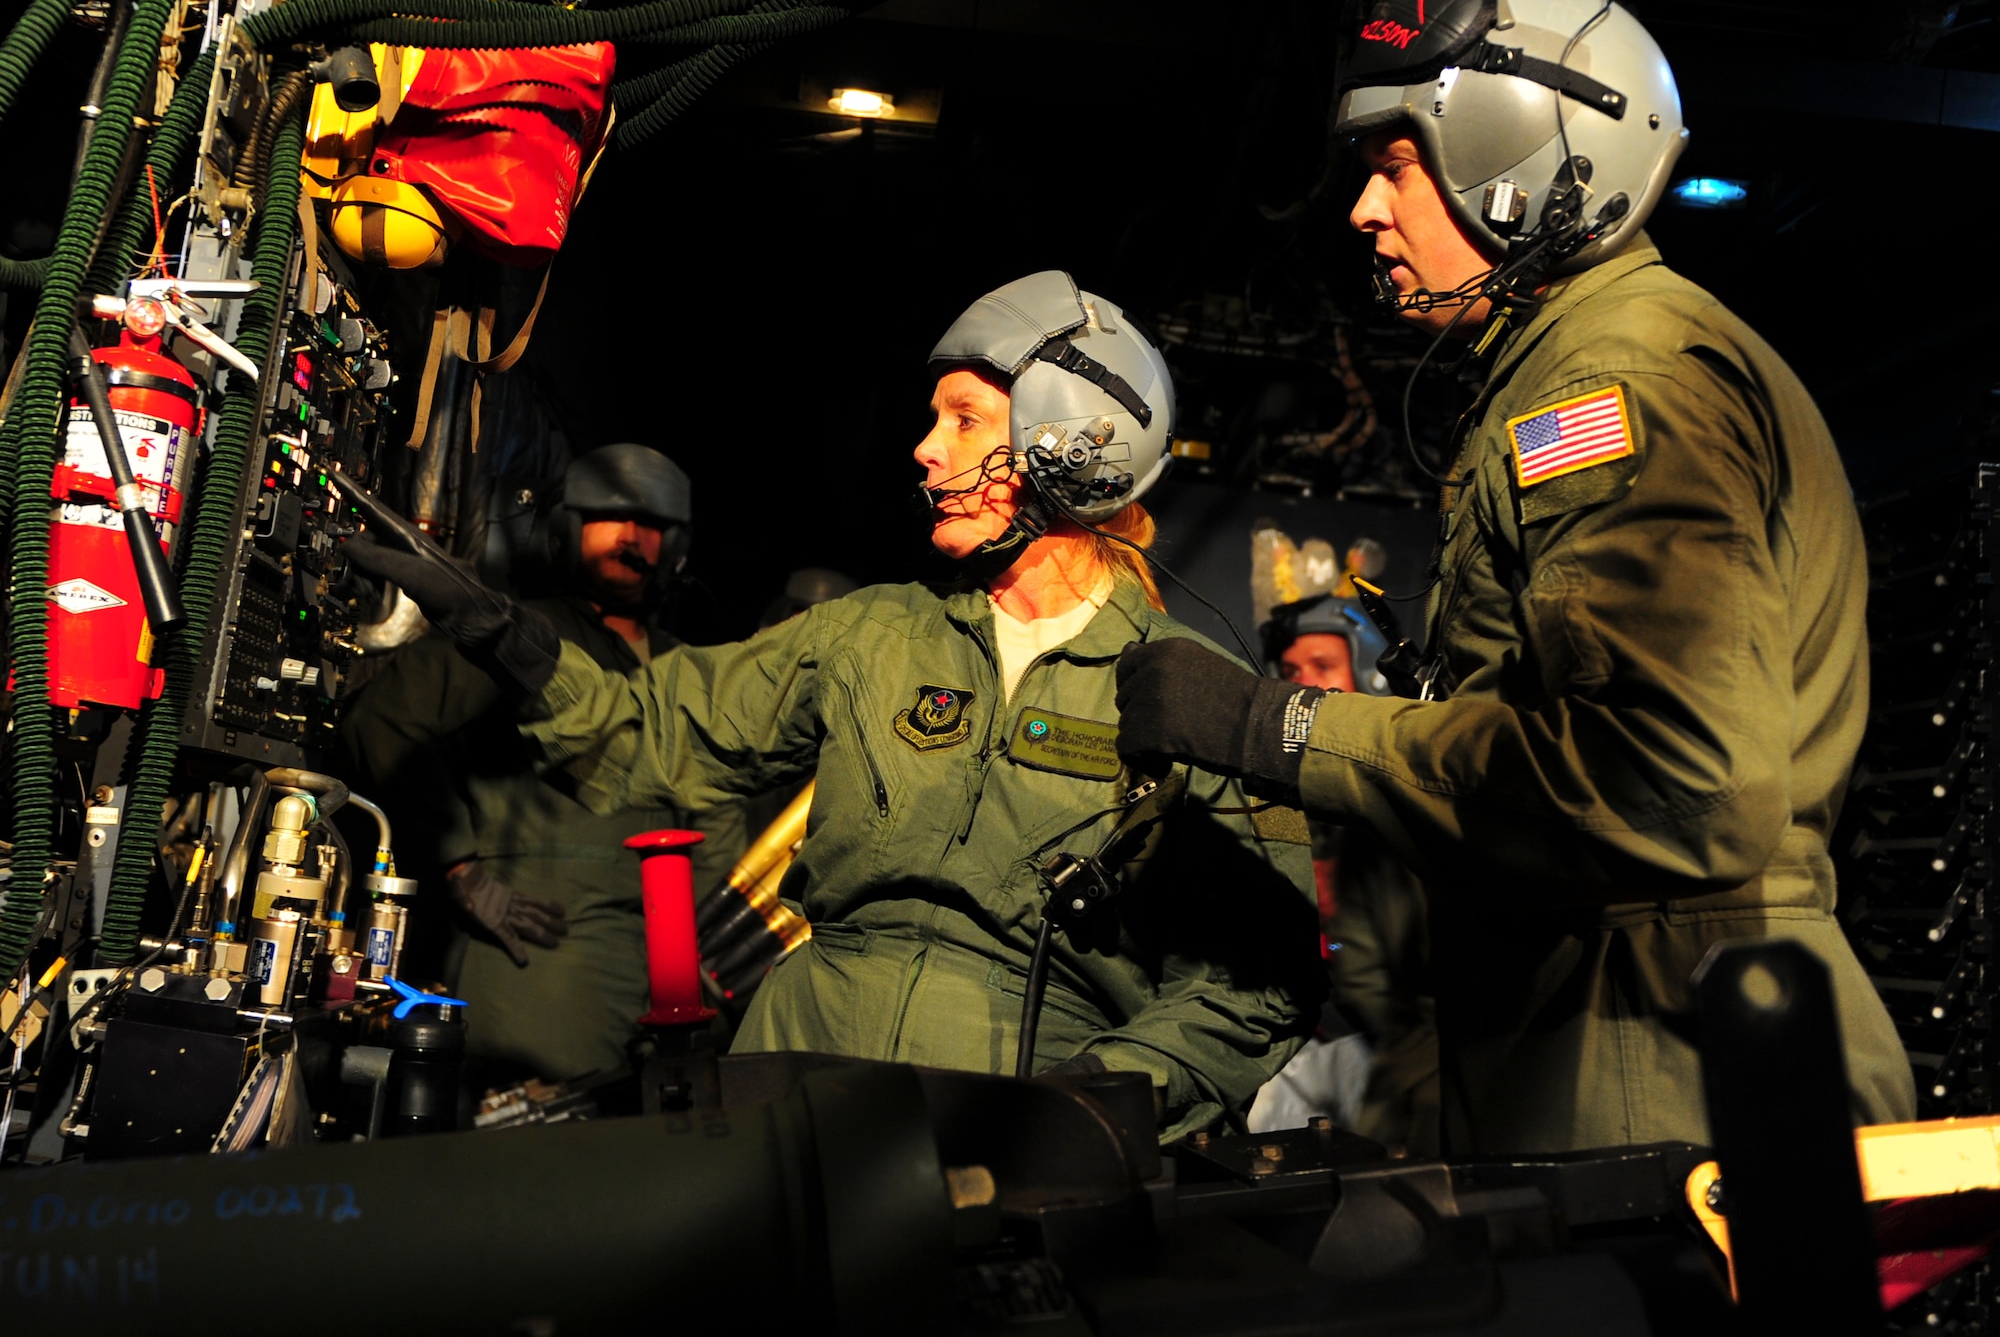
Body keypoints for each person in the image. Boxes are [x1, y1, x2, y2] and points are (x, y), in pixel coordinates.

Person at [1115, 0, 1915, 1153]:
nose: (1361, 213)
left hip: (1660, 1070)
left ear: (1517, 159)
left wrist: (1276, 730)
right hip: (1632, 1039)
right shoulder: (1568, 371)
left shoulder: (1613, 384)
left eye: (1392, 168)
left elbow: (1671, 784)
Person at [345, 271, 1322, 1140]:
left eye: (964, 418)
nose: (925, 450)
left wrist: (1097, 1100)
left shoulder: (1196, 694)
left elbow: (1257, 984)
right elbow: (641, 734)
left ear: (1070, 439)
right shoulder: (868, 636)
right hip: (786, 1085)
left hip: (1004, 1122)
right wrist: (500, 631)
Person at [340, 443, 745, 1084]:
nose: (632, 537)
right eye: (611, 519)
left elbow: (717, 806)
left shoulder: (688, 669)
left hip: (668, 969)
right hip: (542, 954)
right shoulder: (519, 639)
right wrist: (461, 867)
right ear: (566, 531)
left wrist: (714, 948)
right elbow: (382, 722)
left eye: (652, 525)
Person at [1252, 583, 1439, 1154]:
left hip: (1391, 1043)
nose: (1305, 682)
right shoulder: (1263, 803)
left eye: (1324, 664)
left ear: (1366, 676)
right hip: (1292, 1041)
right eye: (1291, 669)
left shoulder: (1405, 803)